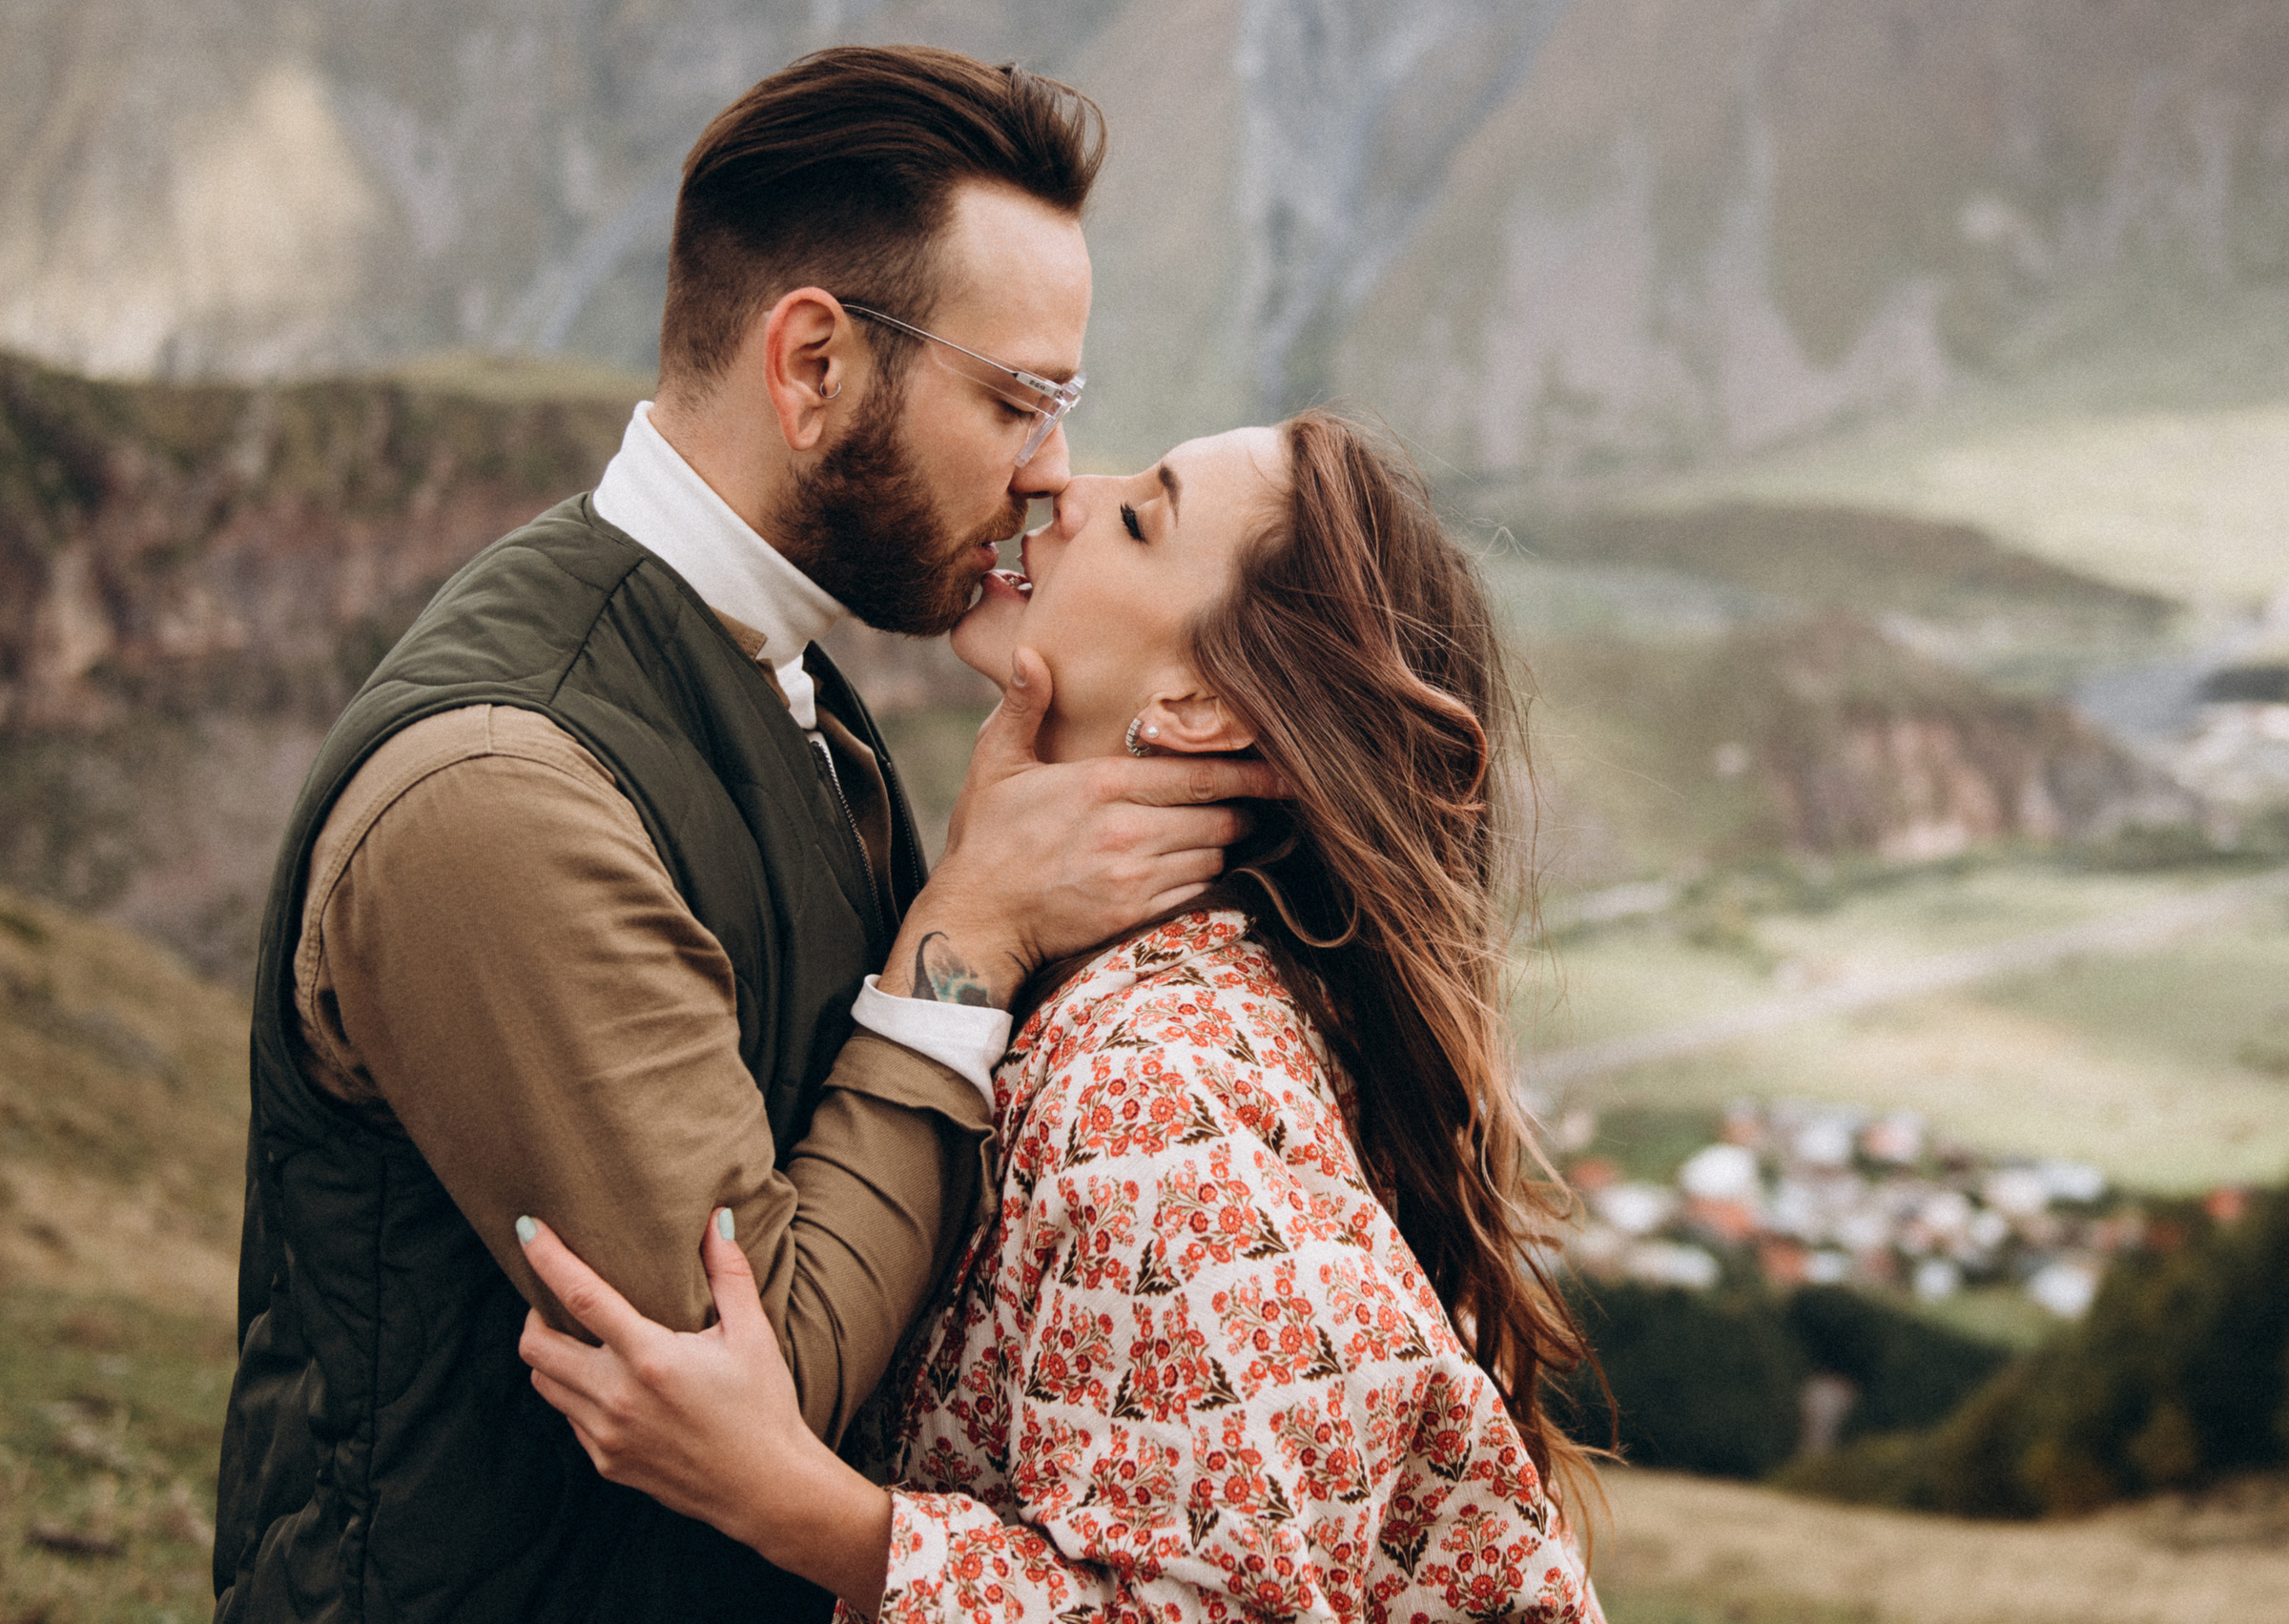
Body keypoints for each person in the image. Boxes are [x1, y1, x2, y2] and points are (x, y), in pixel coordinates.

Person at [213, 47, 1280, 1624]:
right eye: (1017, 399)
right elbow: (753, 1370)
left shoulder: (795, 687)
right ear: (815, 369)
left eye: (1066, 403)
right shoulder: (502, 790)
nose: (1051, 468)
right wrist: (965, 939)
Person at [512, 411, 1606, 1621]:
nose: (1067, 491)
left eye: (1140, 519)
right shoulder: (1157, 994)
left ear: (1200, 707)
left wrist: (788, 1501)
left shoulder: (1160, 1093)